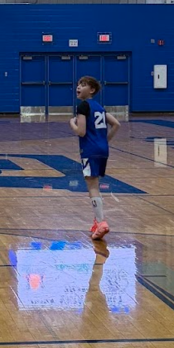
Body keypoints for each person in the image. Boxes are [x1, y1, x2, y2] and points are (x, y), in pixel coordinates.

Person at [69, 76, 121, 241]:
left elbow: (81, 132)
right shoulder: (99, 107)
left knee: (92, 186)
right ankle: (96, 222)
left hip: (89, 150)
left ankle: (101, 223)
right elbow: (116, 124)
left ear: (91, 90)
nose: (78, 87)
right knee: (95, 183)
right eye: (78, 84)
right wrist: (104, 141)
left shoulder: (83, 106)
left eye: (83, 85)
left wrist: (72, 123)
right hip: (103, 149)